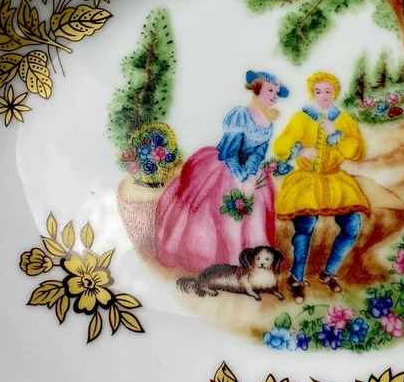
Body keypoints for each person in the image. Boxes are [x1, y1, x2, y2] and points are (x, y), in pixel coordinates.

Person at [155, 71, 288, 273]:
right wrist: (241, 178)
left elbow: (258, 153)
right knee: (220, 212)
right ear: (257, 89)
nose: (274, 96)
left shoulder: (268, 121)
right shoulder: (240, 115)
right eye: (270, 90)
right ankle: (217, 260)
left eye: (276, 93)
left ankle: (244, 262)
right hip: (226, 167)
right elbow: (229, 152)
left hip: (248, 172)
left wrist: (251, 177)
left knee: (255, 213)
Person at [272, 71, 370, 303]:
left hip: (334, 180)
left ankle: (329, 272)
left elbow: (358, 151)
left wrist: (337, 135)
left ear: (335, 92)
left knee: (352, 226)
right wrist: (299, 150)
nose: (323, 95)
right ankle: (296, 278)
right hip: (306, 180)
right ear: (312, 93)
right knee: (305, 227)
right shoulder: (301, 117)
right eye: (318, 91)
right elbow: (281, 145)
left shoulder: (343, 119)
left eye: (328, 91)